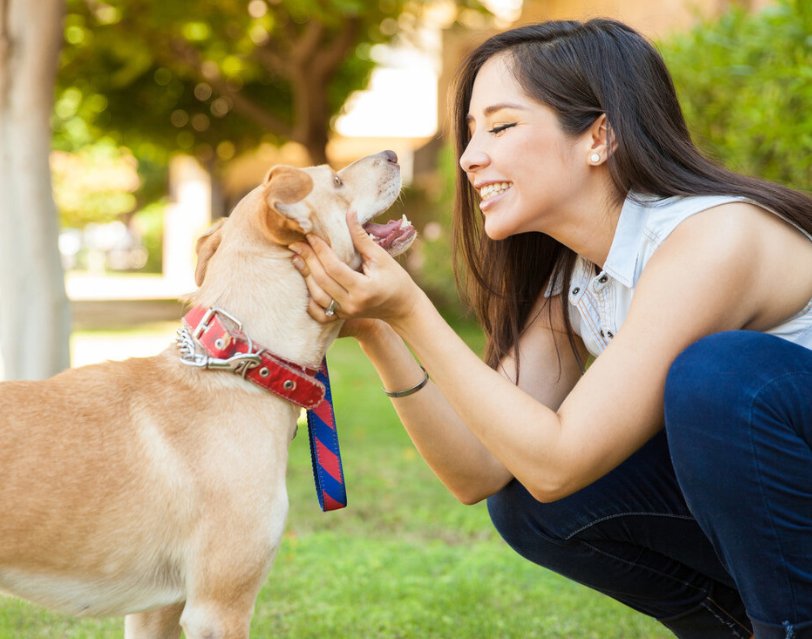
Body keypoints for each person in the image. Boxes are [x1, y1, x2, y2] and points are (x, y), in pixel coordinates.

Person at [289, 18, 812, 639]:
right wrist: (379, 326)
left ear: (599, 137)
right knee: (530, 500)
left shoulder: (711, 239)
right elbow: (483, 470)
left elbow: (559, 460)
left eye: (502, 126)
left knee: (718, 378)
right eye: (471, 131)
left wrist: (411, 309)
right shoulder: (578, 278)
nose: (468, 157)